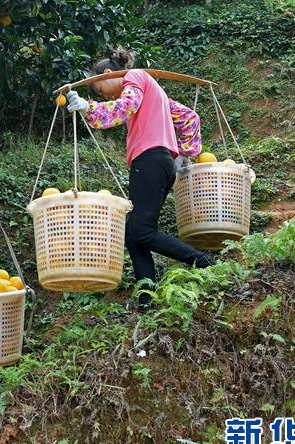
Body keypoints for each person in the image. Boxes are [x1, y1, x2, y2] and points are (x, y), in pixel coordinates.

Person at [65, 48, 214, 308]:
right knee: (134, 235)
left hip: (149, 160)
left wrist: (89, 108)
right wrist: (184, 153)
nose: (106, 96)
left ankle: (203, 262)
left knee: (142, 231)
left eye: (101, 90)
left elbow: (126, 106)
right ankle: (147, 299)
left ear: (108, 73)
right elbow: (189, 116)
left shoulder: (134, 76)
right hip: (161, 164)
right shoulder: (154, 92)